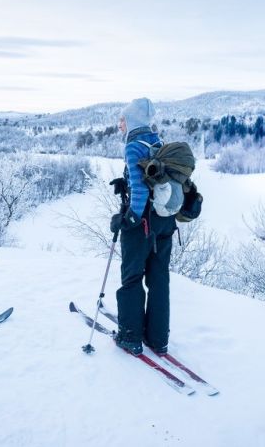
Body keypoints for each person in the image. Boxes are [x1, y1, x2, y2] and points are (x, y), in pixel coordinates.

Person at [110, 97, 175, 355]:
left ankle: (131, 337)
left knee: (132, 277)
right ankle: (158, 339)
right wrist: (123, 181)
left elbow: (140, 189)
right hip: (165, 222)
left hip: (144, 222)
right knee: (159, 279)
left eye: (122, 120)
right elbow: (148, 182)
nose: (120, 125)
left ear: (133, 120)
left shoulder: (133, 146)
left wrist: (130, 220)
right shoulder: (158, 142)